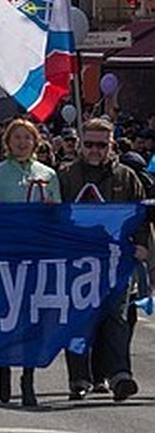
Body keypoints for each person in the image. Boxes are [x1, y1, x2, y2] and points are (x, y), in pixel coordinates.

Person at [58, 117, 149, 403]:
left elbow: (141, 216)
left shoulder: (125, 176)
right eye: (89, 144)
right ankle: (80, 378)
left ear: (111, 145)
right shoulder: (66, 176)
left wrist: (143, 247)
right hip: (77, 262)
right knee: (79, 318)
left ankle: (120, 375)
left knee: (117, 318)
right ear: (80, 145)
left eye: (101, 144)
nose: (95, 150)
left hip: (116, 261)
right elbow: (55, 217)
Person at [0, 118, 59, 407]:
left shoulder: (48, 173)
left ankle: (28, 377)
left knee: (32, 318)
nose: (22, 142)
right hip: (5, 255)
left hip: (36, 256)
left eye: (27, 137)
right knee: (5, 315)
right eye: (17, 138)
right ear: (8, 143)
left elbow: (60, 216)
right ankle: (4, 368)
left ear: (36, 141)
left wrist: (52, 211)